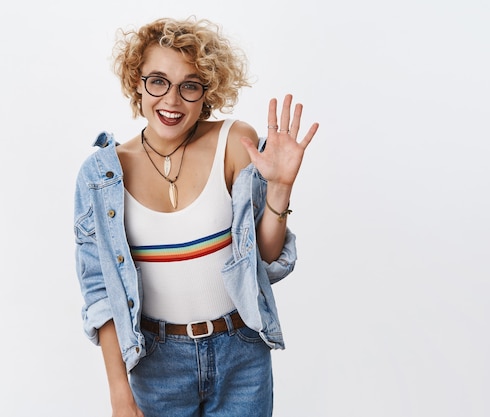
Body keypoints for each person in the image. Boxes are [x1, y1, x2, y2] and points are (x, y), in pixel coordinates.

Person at [73, 16, 318, 417]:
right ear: (137, 81)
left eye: (189, 85)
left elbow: (266, 260)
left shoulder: (234, 143)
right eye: (158, 81)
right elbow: (100, 293)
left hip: (240, 352)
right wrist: (120, 392)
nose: (171, 100)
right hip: (156, 363)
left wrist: (280, 189)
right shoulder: (101, 174)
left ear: (208, 91)